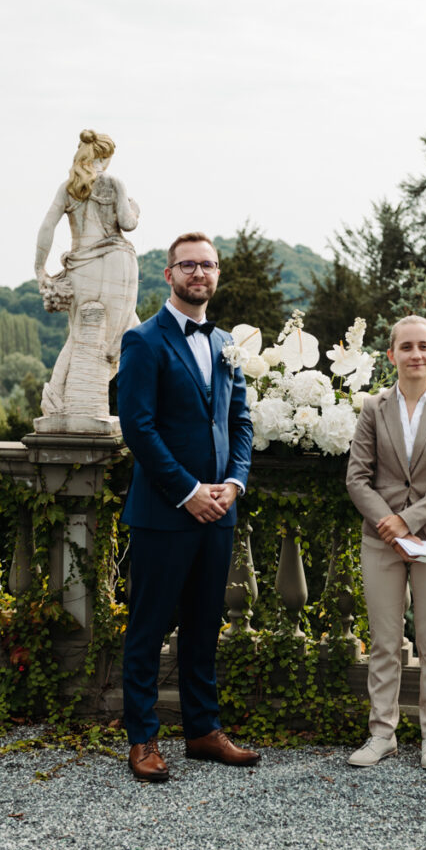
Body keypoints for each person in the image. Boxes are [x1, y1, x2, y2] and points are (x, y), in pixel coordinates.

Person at [117, 231, 259, 781]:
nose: (199, 273)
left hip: (220, 511)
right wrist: (188, 491)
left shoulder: (226, 343)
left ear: (217, 274)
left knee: (204, 626)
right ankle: (143, 740)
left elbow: (241, 422)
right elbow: (139, 428)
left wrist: (233, 484)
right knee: (148, 629)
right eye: (188, 265)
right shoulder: (144, 341)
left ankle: (202, 731)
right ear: (169, 274)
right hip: (163, 512)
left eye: (208, 265)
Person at [345, 316, 426, 770]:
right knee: (384, 640)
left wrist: (409, 520)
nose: (415, 354)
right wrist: (389, 523)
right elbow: (357, 478)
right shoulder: (372, 407)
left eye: (424, 346)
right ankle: (382, 733)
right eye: (406, 347)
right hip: (381, 541)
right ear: (392, 355)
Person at [35, 129, 139, 421]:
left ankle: (57, 397)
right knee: (124, 332)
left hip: (83, 265)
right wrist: (135, 209)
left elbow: (47, 227)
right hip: (117, 262)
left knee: (85, 333)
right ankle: (63, 398)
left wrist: (40, 268)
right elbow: (128, 223)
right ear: (104, 157)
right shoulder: (113, 183)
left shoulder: (69, 187)